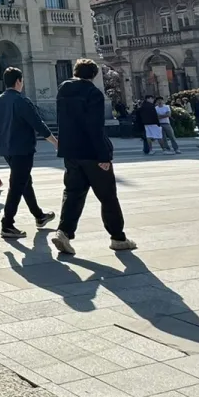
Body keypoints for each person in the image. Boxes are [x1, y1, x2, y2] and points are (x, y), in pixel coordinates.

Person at [51, 59, 136, 255]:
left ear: (75, 72)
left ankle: (63, 232)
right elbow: (95, 127)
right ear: (94, 75)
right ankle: (118, 238)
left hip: (70, 152)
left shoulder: (63, 90)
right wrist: (104, 156)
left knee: (72, 193)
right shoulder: (93, 93)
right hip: (91, 153)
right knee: (107, 196)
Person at [0, 67, 58, 238]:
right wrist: (55, 142)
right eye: (22, 81)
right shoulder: (22, 101)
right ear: (18, 81)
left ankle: (39, 215)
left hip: (5, 150)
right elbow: (38, 125)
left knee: (24, 181)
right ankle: (7, 224)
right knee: (17, 185)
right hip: (22, 149)